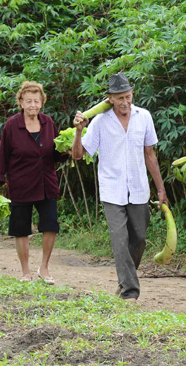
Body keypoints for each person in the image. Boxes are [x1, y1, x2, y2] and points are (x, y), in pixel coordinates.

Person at [72, 72, 168, 302]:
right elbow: (78, 155)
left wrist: (161, 189)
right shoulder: (100, 122)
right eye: (120, 98)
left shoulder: (143, 117)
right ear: (110, 99)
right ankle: (130, 293)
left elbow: (150, 155)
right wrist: (78, 130)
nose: (125, 102)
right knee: (119, 240)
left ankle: (125, 279)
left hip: (138, 189)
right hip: (111, 191)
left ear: (132, 95)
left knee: (140, 240)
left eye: (128, 97)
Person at [0, 81, 67, 284]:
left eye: (37, 101)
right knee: (21, 229)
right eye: (28, 101)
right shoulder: (12, 125)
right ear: (20, 102)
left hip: (47, 183)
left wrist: (67, 151)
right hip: (20, 185)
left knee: (50, 225)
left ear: (42, 103)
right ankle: (25, 271)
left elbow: (57, 155)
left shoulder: (48, 123)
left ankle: (44, 268)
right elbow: (2, 158)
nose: (33, 105)